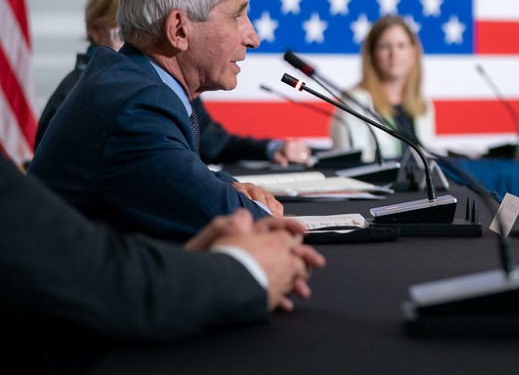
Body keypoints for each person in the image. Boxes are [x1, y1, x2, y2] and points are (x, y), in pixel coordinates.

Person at [29, 0, 284, 241]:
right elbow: (241, 224)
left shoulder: (126, 78)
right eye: (237, 16)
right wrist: (248, 204)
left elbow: (178, 175)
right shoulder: (136, 107)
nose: (253, 38)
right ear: (178, 29)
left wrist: (226, 184)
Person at [1, 149, 325, 372]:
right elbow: (93, 274)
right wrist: (243, 268)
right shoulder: (135, 95)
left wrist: (194, 260)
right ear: (178, 41)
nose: (254, 42)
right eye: (248, 39)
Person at [35, 0, 311, 166]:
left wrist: (271, 150)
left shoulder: (165, 84)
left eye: (140, 29)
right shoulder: (85, 95)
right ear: (94, 30)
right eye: (122, 31)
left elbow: (213, 143)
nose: (132, 40)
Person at [329, 15, 436, 163]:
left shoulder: (423, 104)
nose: (394, 54)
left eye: (401, 46)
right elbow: (351, 165)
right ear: (372, 54)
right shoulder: (354, 102)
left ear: (413, 52)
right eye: (385, 46)